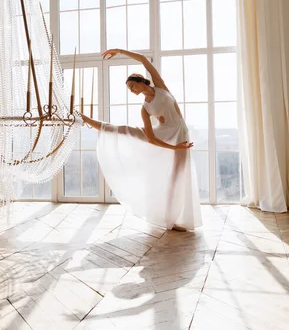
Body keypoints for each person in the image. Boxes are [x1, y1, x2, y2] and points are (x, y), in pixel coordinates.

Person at [81, 48, 203, 231]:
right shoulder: (144, 108)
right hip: (164, 136)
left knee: (177, 177)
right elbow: (152, 139)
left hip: (180, 132)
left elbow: (144, 60)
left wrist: (119, 51)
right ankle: (86, 119)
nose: (131, 90)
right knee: (126, 130)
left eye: (132, 86)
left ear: (140, 81)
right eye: (129, 89)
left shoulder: (161, 87)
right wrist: (175, 148)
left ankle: (175, 219)